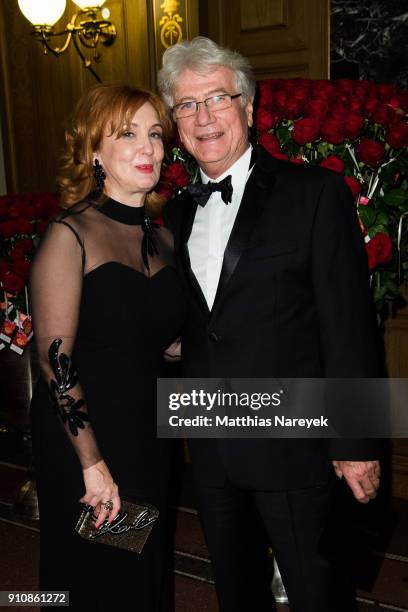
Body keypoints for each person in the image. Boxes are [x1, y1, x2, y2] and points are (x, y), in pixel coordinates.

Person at [158, 37, 382, 612]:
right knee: (237, 595)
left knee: (319, 596)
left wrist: (356, 444)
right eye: (186, 104)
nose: (203, 117)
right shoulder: (178, 211)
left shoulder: (314, 194)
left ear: (250, 109)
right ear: (176, 121)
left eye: (217, 99)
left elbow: (350, 326)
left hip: (298, 446)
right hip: (210, 449)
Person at [29, 83, 185, 611]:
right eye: (129, 134)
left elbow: (164, 343)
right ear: (95, 150)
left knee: (143, 568)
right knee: (99, 574)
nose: (149, 149)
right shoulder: (70, 235)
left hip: (148, 437)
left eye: (157, 134)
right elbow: (54, 361)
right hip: (89, 440)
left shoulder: (164, 240)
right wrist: (92, 463)